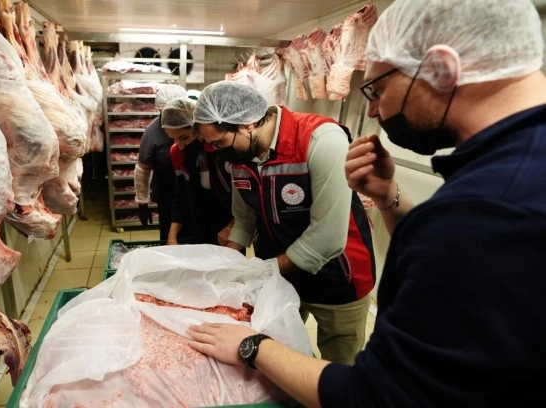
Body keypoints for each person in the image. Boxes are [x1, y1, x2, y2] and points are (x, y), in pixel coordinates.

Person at [187, 0, 546, 406]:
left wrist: (253, 346)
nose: (374, 109)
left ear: (441, 69)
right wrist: (388, 196)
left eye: (376, 89)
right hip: (284, 277)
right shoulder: (506, 177)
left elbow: (374, 393)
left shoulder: (493, 208)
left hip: (337, 279)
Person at [193, 80, 375, 365]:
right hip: (282, 278)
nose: (216, 151)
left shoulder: (321, 140)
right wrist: (226, 263)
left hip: (337, 277)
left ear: (246, 123)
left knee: (340, 367)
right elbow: (245, 218)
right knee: (283, 359)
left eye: (218, 143)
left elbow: (326, 239)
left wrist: (261, 270)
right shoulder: (240, 154)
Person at [161, 97, 236, 246]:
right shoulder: (177, 153)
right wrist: (172, 236)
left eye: (184, 138)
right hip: (198, 225)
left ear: (198, 128)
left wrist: (231, 227)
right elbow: (181, 196)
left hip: (229, 225)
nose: (180, 145)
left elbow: (246, 201)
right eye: (173, 139)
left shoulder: (221, 151)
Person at [134, 84, 187, 241]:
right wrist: (142, 202)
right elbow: (143, 168)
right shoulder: (152, 131)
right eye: (166, 112)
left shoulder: (193, 124)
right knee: (168, 234)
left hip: (191, 189)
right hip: (166, 191)